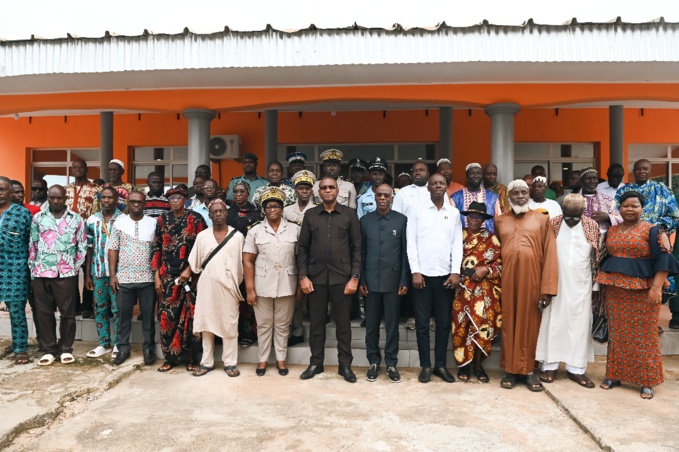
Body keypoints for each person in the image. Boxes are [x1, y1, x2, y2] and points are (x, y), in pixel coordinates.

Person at [596, 191, 679, 399]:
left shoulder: (653, 230)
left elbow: (664, 261)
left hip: (644, 292)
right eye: (626, 206)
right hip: (615, 290)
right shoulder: (612, 231)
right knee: (617, 335)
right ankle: (614, 375)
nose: (630, 209)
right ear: (619, 208)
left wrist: (656, 288)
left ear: (642, 208)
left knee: (645, 336)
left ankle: (646, 380)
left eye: (634, 206)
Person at [495, 179, 558, 392]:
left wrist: (547, 289)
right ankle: (511, 371)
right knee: (509, 322)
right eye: (515, 193)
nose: (520, 196)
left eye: (524, 192)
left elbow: (550, 253)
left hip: (532, 280)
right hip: (507, 280)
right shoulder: (500, 220)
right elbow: (494, 252)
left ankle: (529, 371)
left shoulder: (541, 219)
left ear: (529, 195)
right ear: (509, 197)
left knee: (531, 324)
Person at [297, 176, 362, 383]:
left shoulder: (350, 215)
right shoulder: (310, 215)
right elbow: (302, 248)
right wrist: (303, 276)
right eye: (323, 188)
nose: (327, 191)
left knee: (343, 325)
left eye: (331, 187)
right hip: (315, 279)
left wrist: (354, 278)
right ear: (318, 191)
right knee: (316, 324)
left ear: (337, 190)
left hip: (342, 278)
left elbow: (357, 249)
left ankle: (345, 365)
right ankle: (316, 363)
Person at [536, 195, 602, 388]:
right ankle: (549, 365)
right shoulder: (552, 224)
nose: (572, 221)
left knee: (579, 326)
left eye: (576, 217)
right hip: (555, 283)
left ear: (583, 212)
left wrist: (595, 287)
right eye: (568, 216)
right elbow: (542, 254)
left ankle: (576, 370)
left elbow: (597, 257)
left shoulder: (591, 226)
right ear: (562, 210)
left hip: (582, 285)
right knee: (553, 323)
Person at [407, 173, 463, 383]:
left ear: (446, 186)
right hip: (422, 276)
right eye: (434, 183)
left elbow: (457, 243)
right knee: (422, 324)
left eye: (441, 183)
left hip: (445, 278)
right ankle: (426, 366)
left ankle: (440, 365)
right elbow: (410, 241)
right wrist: (415, 271)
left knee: (442, 324)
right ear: (428, 188)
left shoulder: (454, 213)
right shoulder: (417, 210)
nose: (438, 186)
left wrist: (455, 271)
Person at [244, 188, 301, 376]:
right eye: (269, 206)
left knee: (283, 324)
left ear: (283, 209)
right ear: (264, 210)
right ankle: (262, 360)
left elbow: (301, 258)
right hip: (262, 285)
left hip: (288, 283)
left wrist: (300, 285)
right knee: (264, 324)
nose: (273, 210)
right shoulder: (255, 231)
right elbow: (248, 261)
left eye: (277, 206)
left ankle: (281, 359)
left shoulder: (295, 229)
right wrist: (250, 289)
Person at [29, 185, 87, 366]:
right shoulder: (38, 218)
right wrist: (33, 267)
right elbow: (33, 245)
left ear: (65, 198)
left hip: (66, 274)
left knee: (67, 314)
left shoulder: (76, 219)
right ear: (48, 197)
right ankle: (49, 350)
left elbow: (82, 246)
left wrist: (73, 268)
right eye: (52, 197)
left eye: (59, 198)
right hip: (41, 273)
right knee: (43, 313)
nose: (55, 201)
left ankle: (65, 349)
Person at [152, 186, 208, 372]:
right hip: (167, 278)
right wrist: (156, 276)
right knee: (167, 318)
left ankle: (192, 358)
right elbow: (156, 248)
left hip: (191, 278)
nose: (175, 200)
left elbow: (204, 247)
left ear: (185, 199)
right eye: (172, 198)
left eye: (178, 197)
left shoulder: (196, 219)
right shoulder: (162, 220)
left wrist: (191, 270)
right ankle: (170, 358)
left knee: (191, 319)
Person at [188, 198, 245, 377]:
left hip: (230, 286)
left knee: (229, 323)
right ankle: (207, 362)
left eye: (221, 211)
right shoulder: (202, 236)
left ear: (227, 213)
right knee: (207, 322)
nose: (218, 214)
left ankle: (230, 363)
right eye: (215, 212)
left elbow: (242, 265)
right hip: (207, 285)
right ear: (210, 215)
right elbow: (195, 263)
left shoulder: (237, 236)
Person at [359, 183, 408, 383]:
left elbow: (405, 253)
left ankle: (391, 362)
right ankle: (373, 361)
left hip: (393, 282)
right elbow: (360, 253)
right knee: (371, 325)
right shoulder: (365, 220)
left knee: (392, 326)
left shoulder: (401, 220)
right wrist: (361, 278)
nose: (382, 198)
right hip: (370, 282)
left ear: (392, 198)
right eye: (378, 194)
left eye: (386, 195)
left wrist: (404, 279)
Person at [452, 201, 502, 383]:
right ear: (466, 218)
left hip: (485, 291)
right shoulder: (458, 236)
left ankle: (478, 365)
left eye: (478, 216)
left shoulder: (492, 239)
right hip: (462, 289)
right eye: (471, 216)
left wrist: (486, 270)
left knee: (483, 326)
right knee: (461, 326)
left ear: (483, 219)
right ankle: (463, 364)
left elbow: (501, 265)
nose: (474, 219)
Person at [107, 191, 157, 365]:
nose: (136, 205)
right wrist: (112, 275)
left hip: (147, 278)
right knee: (123, 316)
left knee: (149, 316)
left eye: (140, 202)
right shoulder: (119, 223)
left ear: (145, 204)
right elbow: (113, 248)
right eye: (133, 202)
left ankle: (148, 348)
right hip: (124, 278)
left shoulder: (153, 223)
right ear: (128, 203)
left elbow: (157, 251)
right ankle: (122, 348)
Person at [84, 186, 123, 359]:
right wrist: (87, 275)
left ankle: (118, 344)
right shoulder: (92, 220)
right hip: (98, 271)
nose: (107, 200)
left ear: (117, 199)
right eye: (104, 197)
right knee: (100, 308)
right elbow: (89, 249)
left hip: (118, 273)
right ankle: (103, 343)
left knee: (118, 309)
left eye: (110, 197)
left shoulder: (123, 220)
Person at [393, 160, 430, 330]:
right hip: (408, 241)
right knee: (409, 277)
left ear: (427, 173)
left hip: (430, 241)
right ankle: (411, 315)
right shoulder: (403, 193)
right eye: (415, 170)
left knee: (430, 279)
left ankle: (431, 315)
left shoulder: (437, 189)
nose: (418, 173)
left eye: (421, 170)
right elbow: (397, 217)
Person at [0, 177, 32, 364]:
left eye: (3, 189)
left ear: (11, 192)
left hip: (15, 267)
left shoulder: (22, 214)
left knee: (17, 309)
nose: (0, 193)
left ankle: (20, 347)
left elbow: (30, 242)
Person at [226, 179, 262, 346]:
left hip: (250, 261)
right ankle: (230, 333)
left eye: (242, 191)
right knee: (232, 299)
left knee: (249, 297)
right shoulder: (228, 212)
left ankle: (248, 334)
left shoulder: (256, 213)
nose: (239, 195)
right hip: (231, 261)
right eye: (236, 192)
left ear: (248, 193)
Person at [283, 170, 317, 346]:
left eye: (307, 188)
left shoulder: (317, 210)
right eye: (301, 188)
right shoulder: (287, 211)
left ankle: (316, 329)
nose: (304, 191)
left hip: (313, 256)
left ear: (312, 191)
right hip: (291, 255)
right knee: (295, 295)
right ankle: (296, 329)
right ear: (295, 190)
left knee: (314, 294)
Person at [65, 159, 98, 318]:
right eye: (74, 167)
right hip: (69, 238)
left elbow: (97, 212)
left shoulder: (94, 189)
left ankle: (87, 307)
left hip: (88, 236)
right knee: (71, 272)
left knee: (89, 272)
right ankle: (75, 306)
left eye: (80, 167)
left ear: (86, 169)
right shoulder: (66, 189)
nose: (77, 169)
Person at [615, 159, 679, 234]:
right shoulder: (623, 190)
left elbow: (675, 216)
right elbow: (615, 212)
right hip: (628, 234)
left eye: (645, 169)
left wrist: (658, 227)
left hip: (655, 235)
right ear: (633, 171)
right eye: (638, 169)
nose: (641, 171)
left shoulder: (662, 190)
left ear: (651, 171)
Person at [451, 163, 500, 233]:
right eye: (472, 173)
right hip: (462, 240)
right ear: (466, 176)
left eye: (479, 173)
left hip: (487, 241)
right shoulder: (456, 198)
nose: (476, 176)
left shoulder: (493, 197)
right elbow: (452, 222)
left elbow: (498, 222)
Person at [578, 167, 621, 233]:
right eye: (588, 179)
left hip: (603, 238)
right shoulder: (573, 200)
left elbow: (620, 220)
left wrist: (608, 217)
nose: (592, 181)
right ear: (581, 181)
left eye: (594, 178)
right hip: (580, 237)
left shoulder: (608, 200)